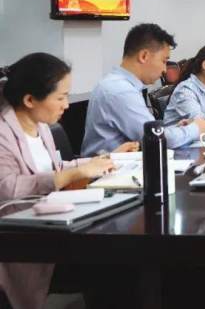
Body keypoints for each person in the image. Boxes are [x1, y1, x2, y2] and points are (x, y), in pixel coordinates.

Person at [0, 53, 138, 309]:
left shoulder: (40, 125)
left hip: (53, 225)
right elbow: (8, 188)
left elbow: (56, 168)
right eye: (61, 97)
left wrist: (104, 159)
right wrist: (73, 174)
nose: (66, 105)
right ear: (29, 100)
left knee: (124, 261)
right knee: (116, 266)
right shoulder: (3, 133)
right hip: (23, 242)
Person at [83, 24, 205, 155]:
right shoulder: (120, 90)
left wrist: (176, 128)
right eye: (164, 61)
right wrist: (196, 129)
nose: (164, 70)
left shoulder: (121, 85)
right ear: (144, 56)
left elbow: (149, 130)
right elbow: (156, 138)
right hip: (112, 166)